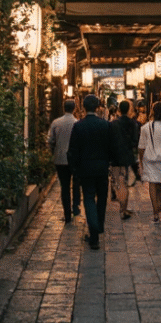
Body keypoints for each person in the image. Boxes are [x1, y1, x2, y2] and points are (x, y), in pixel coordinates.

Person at [68, 94, 121, 249]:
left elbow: (73, 150)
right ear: (98, 107)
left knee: (89, 198)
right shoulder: (105, 125)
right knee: (102, 198)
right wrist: (111, 162)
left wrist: (74, 169)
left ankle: (94, 233)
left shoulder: (78, 126)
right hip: (102, 168)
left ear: (84, 107)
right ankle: (99, 227)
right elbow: (112, 148)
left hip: (85, 169)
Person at [47, 100, 80, 222]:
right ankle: (75, 206)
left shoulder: (56, 122)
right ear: (74, 109)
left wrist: (53, 152)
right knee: (76, 183)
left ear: (63, 107)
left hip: (60, 159)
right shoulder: (77, 123)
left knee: (64, 187)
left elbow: (50, 141)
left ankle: (67, 214)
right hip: (75, 159)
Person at [109, 100, 141, 220]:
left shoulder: (113, 123)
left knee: (118, 182)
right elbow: (135, 141)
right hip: (127, 156)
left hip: (115, 156)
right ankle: (123, 209)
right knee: (124, 182)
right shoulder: (133, 123)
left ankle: (123, 209)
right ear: (128, 109)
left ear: (119, 110)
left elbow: (110, 140)